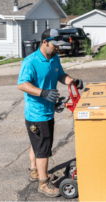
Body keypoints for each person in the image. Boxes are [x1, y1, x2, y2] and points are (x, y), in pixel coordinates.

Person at [18, 29, 83, 197]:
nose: (58, 49)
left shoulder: (54, 58)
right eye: (55, 45)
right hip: (37, 114)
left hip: (47, 110)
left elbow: (60, 75)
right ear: (45, 42)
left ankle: (35, 171)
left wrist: (72, 82)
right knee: (43, 148)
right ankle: (43, 182)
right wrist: (43, 93)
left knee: (37, 143)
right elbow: (22, 84)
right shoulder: (30, 61)